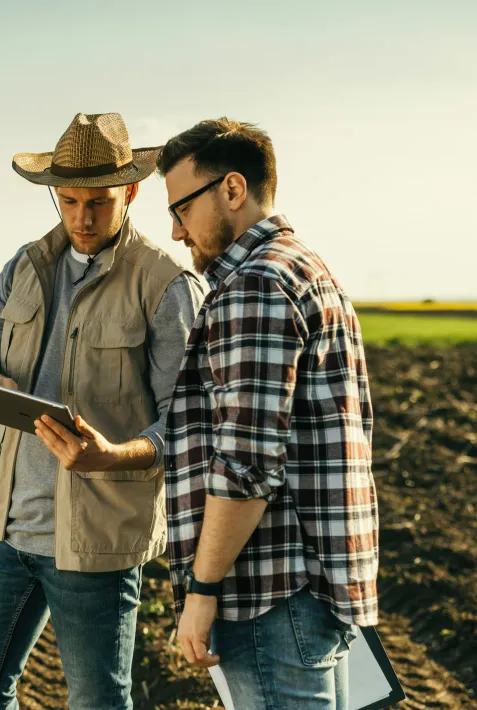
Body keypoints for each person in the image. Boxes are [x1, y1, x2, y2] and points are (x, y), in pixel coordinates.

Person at [0, 112, 204, 710]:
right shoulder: (25, 267)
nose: (82, 218)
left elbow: (190, 422)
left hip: (98, 542)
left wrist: (113, 456)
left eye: (99, 203)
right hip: (8, 527)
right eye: (68, 201)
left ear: (131, 192)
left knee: (97, 703)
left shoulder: (164, 285)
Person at [158, 118, 379, 709]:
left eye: (181, 208)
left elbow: (247, 463)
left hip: (266, 593)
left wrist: (202, 589)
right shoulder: (303, 266)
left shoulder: (255, 286)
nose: (176, 232)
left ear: (233, 189)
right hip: (312, 586)